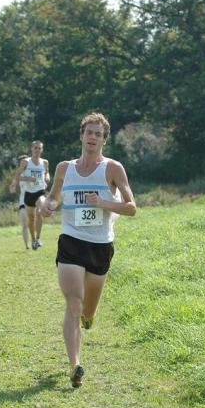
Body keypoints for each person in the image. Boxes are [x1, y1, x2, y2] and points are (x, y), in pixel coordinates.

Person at [40, 112, 136, 388]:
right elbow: (55, 198)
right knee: (74, 302)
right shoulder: (63, 168)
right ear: (81, 136)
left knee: (88, 311)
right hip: (71, 240)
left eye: (98, 134)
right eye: (88, 132)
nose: (92, 137)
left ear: (104, 140)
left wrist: (104, 203)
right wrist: (49, 205)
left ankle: (89, 319)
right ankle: (75, 365)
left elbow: (131, 207)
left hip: (100, 245)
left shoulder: (113, 169)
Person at [13, 141, 50, 250]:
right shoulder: (25, 162)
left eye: (39, 148)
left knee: (40, 210)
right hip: (29, 193)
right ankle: (33, 240)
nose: (37, 150)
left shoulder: (45, 162)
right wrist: (28, 178)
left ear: (42, 150)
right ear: (31, 149)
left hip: (40, 190)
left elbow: (47, 173)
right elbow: (17, 176)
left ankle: (38, 238)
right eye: (35, 148)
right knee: (31, 219)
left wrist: (47, 177)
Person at [9, 154, 31, 249]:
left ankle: (35, 239)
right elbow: (12, 187)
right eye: (22, 162)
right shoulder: (18, 174)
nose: (24, 163)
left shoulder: (34, 171)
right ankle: (27, 245)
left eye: (26, 161)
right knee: (24, 224)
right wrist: (12, 188)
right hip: (23, 202)